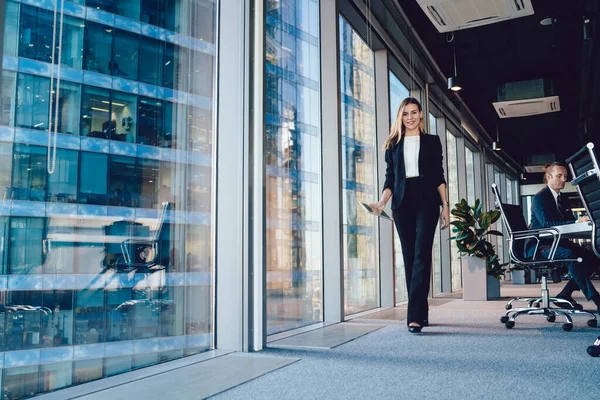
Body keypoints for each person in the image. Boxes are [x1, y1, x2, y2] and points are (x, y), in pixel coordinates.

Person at [370, 97, 450, 333]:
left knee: (421, 255)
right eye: (405, 114)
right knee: (409, 258)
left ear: (421, 114)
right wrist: (382, 201)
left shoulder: (432, 142)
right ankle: (421, 312)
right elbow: (390, 179)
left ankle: (413, 316)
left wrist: (445, 206)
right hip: (402, 202)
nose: (410, 117)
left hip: (427, 199)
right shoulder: (393, 144)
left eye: (414, 112)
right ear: (400, 117)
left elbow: (439, 176)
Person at [527, 161, 600, 313]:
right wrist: (575, 221)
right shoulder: (540, 198)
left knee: (592, 256)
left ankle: (565, 294)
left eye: (565, 176)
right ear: (548, 176)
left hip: (556, 242)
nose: (563, 180)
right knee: (572, 256)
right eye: (559, 176)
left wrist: (582, 221)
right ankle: (596, 298)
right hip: (540, 245)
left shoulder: (562, 198)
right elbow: (547, 224)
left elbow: (567, 222)